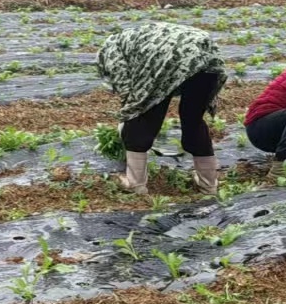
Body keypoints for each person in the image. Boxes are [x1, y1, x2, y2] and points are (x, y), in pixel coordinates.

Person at [95, 21, 227, 194]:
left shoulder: (110, 51)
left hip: (165, 57)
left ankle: (135, 184)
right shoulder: (133, 38)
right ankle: (209, 185)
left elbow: (130, 95)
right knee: (193, 120)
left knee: (143, 120)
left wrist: (127, 123)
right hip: (207, 54)